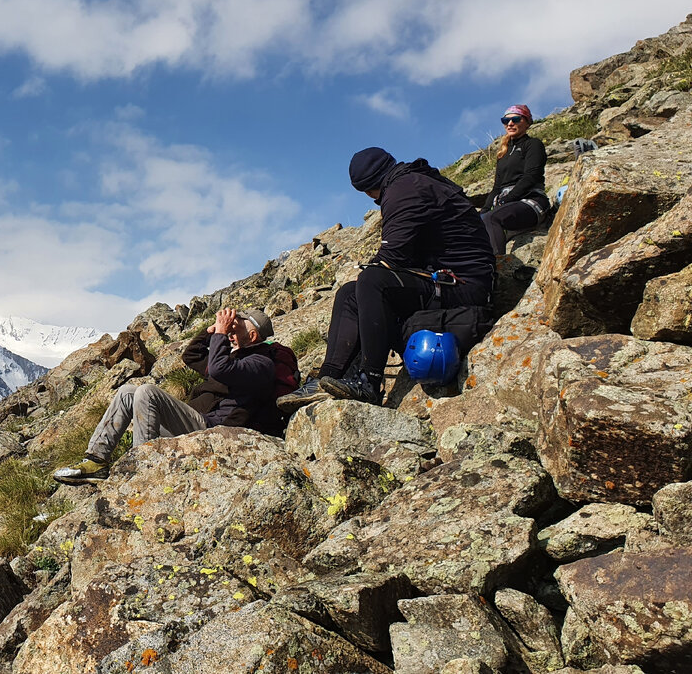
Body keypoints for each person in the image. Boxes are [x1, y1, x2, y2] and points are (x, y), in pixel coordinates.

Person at [312, 147, 495, 405]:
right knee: (349, 293)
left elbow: (392, 258)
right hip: (451, 280)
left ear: (367, 189)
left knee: (372, 281)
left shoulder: (402, 191)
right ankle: (327, 378)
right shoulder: (414, 180)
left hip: (465, 287)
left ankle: (369, 381)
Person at [53, 307, 278, 484]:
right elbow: (191, 356)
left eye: (235, 328)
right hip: (194, 423)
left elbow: (219, 369)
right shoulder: (232, 360)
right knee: (127, 392)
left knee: (148, 392)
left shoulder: (260, 364)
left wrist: (221, 333)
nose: (229, 331)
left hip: (214, 431)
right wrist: (211, 331)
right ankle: (96, 460)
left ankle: (142, 466)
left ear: (252, 335)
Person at [480, 104, 549, 255]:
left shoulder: (533, 145)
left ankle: (497, 268)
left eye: (515, 119)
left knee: (492, 219)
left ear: (527, 122)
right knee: (481, 221)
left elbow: (531, 175)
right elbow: (497, 187)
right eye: (506, 120)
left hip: (532, 202)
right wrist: (483, 211)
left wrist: (508, 199)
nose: (510, 123)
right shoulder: (502, 154)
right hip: (509, 204)